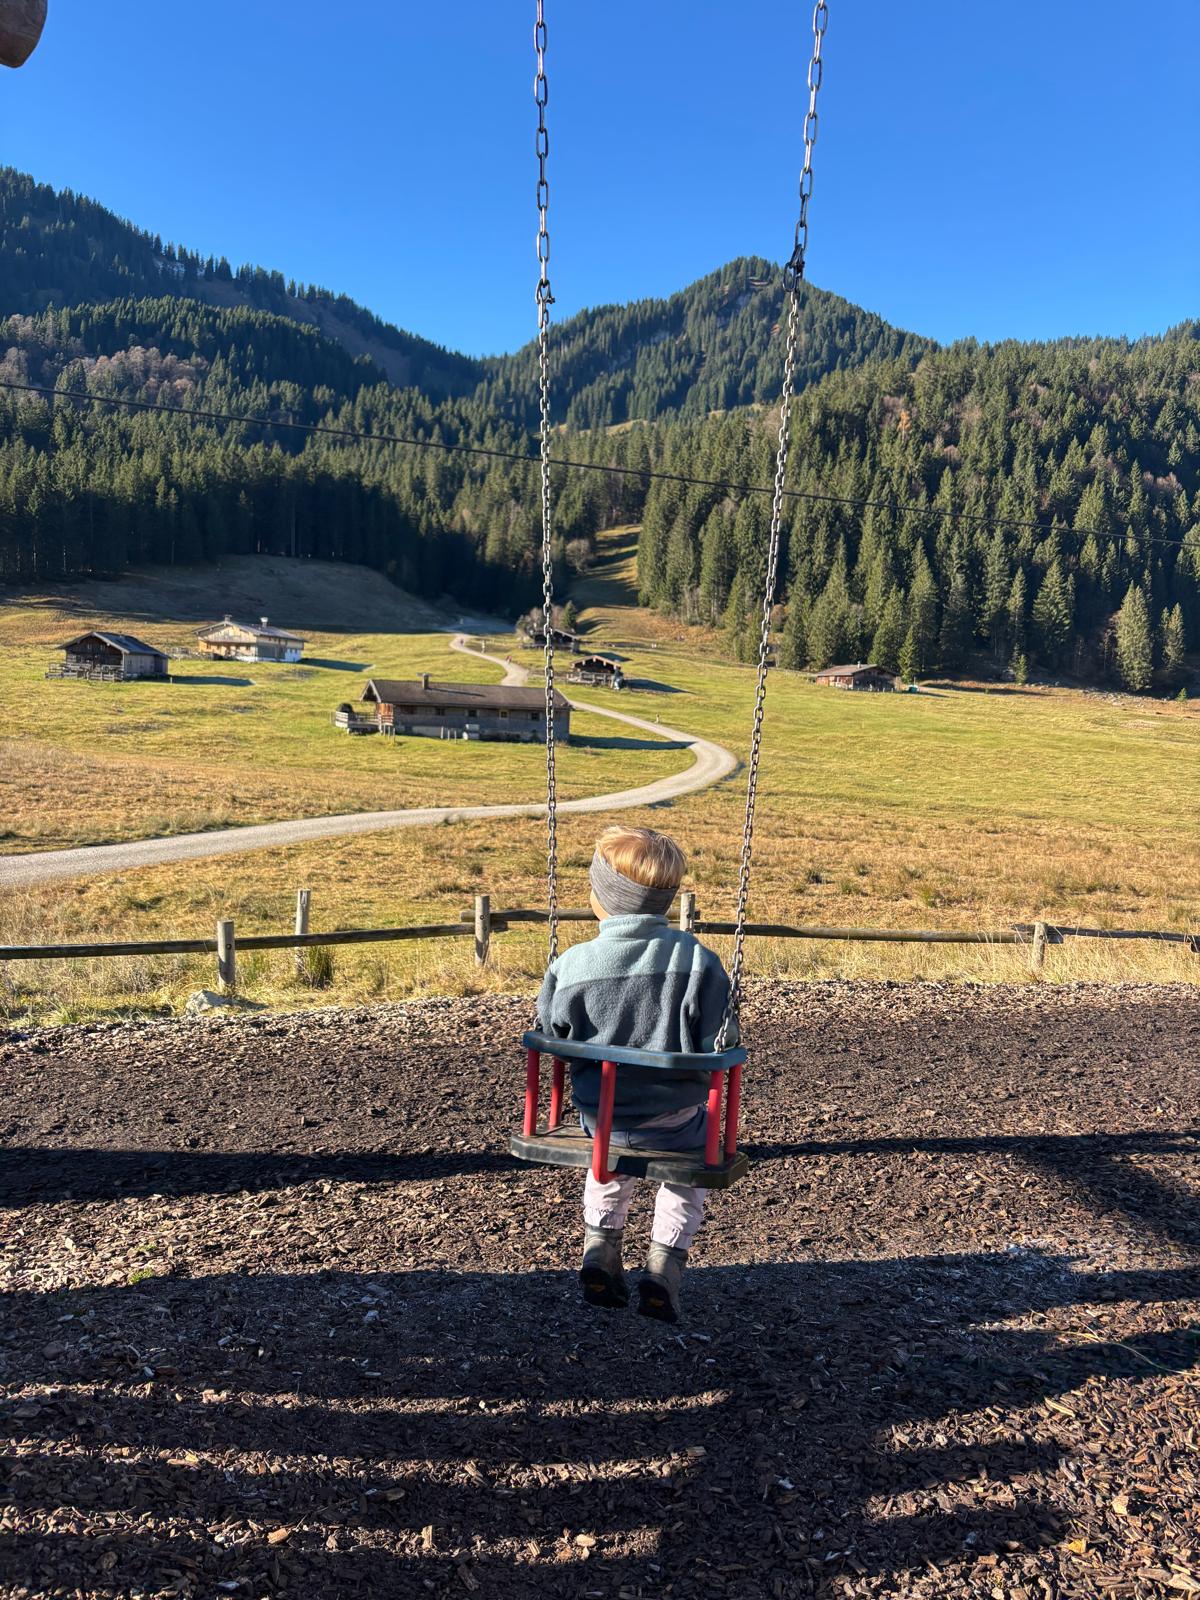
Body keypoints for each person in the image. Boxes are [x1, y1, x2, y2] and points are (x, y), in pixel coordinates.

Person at [536, 825, 734, 1323]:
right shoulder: (698, 961)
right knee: (689, 1170)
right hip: (676, 1119)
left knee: (606, 1156)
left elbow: (550, 1030)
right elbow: (722, 1040)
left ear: (601, 897)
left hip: (599, 1117)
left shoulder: (573, 963)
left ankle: (600, 1246)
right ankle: (665, 1263)